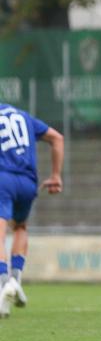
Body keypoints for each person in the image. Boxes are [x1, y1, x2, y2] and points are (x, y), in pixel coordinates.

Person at [0, 103, 64, 318]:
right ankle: (15, 281)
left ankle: (3, 283)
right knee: (20, 226)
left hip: (3, 178)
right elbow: (57, 138)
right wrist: (56, 175)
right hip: (28, 182)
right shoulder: (23, 116)